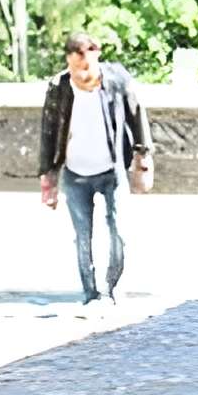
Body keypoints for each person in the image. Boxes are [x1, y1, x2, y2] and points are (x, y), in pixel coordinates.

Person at [37, 29, 152, 305]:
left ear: (97, 56)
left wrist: (143, 154)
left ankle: (111, 288)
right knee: (83, 236)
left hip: (111, 169)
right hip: (75, 173)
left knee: (118, 232)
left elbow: (137, 117)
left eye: (87, 66)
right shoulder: (59, 87)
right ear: (69, 61)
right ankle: (90, 294)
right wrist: (47, 176)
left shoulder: (116, 80)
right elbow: (48, 131)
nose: (83, 74)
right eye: (77, 67)